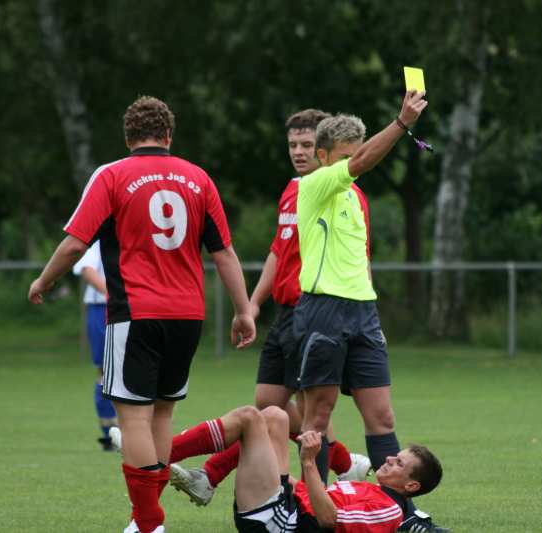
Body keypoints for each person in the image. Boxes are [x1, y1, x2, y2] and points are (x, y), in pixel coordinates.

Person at [28, 96, 256, 533]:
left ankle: (149, 522)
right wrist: (244, 311)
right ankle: (144, 520)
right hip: (188, 315)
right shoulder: (198, 178)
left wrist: (44, 280)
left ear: (128, 136)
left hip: (136, 313)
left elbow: (75, 244)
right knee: (162, 416)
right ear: (168, 135)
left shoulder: (112, 175)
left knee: (133, 417)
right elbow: (224, 252)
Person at [165, 109, 371, 507]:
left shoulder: (337, 192)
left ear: (325, 150)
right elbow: (279, 251)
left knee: (295, 411)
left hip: (314, 312)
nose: (298, 152)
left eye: (307, 145)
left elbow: (359, 255)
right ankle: (346, 464)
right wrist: (254, 304)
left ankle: (206, 472)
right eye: (293, 144)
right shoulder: (293, 189)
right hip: (286, 312)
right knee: (268, 403)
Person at [293, 91, 448, 533]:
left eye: (355, 153)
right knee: (317, 419)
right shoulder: (314, 185)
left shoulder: (355, 198)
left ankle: (398, 515)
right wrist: (401, 123)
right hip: (324, 311)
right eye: (346, 156)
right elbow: (361, 163)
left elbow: (361, 258)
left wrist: (369, 304)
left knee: (382, 418)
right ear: (324, 157)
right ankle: (314, 513)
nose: (355, 162)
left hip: (364, 313)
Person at [113, 405, 443, 532]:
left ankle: (154, 455)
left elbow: (328, 519)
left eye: (399, 463)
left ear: (411, 486)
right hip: (287, 506)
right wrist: (284, 475)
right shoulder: (374, 491)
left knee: (249, 418)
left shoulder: (388, 509)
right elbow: (314, 498)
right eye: (395, 456)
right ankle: (172, 464)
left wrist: (309, 462)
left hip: (281, 524)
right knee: (274, 416)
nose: (389, 459)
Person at [72, 240, 119, 451]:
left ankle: (137, 429)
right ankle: (109, 432)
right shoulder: (101, 243)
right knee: (106, 372)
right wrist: (113, 295)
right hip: (103, 310)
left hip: (134, 309)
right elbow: (86, 269)